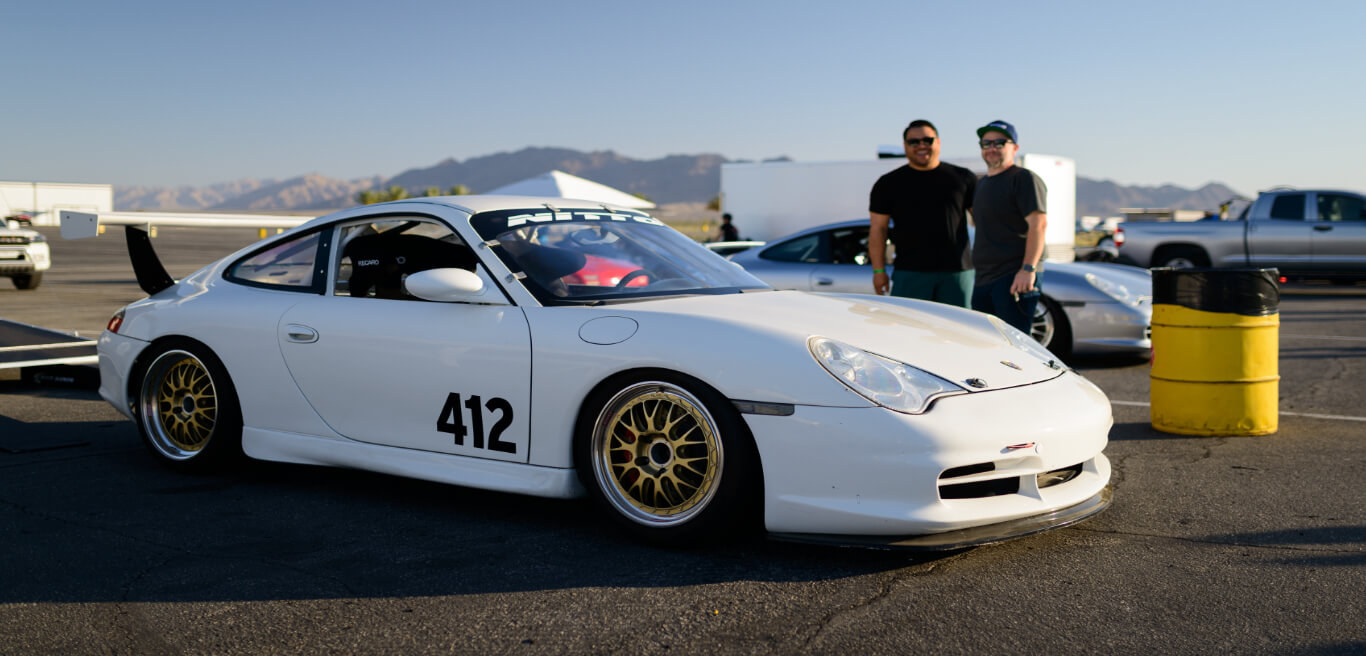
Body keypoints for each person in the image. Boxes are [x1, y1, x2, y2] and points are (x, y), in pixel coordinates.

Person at [868, 119, 977, 306]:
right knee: (908, 331)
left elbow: (984, 222)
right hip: (909, 273)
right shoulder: (888, 184)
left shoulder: (964, 178)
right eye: (914, 142)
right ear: (905, 146)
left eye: (928, 140)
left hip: (957, 273)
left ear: (939, 142)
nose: (921, 146)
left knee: (958, 331)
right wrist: (879, 272)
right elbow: (878, 230)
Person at [969, 120, 1048, 334]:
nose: (992, 148)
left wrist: (1027, 269)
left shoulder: (1023, 179)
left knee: (1014, 349)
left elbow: (1038, 225)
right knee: (986, 344)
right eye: (986, 143)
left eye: (999, 142)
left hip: (1014, 277)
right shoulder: (982, 184)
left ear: (1015, 147)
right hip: (984, 278)